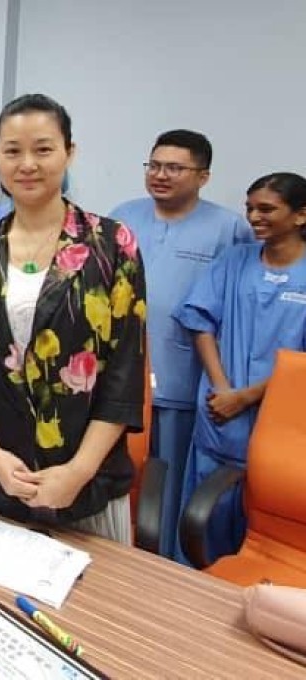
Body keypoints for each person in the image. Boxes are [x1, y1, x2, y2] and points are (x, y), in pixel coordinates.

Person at [0, 94, 146, 543]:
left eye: (44, 149)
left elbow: (124, 371)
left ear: (69, 152)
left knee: (93, 610)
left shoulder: (112, 245)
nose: (27, 164)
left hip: (85, 483)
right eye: (12, 150)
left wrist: (77, 471)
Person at [110, 129, 252, 560]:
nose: (160, 175)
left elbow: (238, 303)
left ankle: (165, 569)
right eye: (154, 165)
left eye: (174, 167)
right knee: (120, 474)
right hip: (121, 377)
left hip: (182, 376)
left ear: (203, 176)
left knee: (170, 482)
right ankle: (115, 555)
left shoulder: (229, 228)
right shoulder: (122, 217)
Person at [175, 172, 306, 563]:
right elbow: (200, 321)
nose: (253, 217)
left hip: (283, 417)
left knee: (271, 524)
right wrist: (222, 388)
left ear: (301, 216)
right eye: (249, 208)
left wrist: (247, 396)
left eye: (266, 209)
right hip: (221, 412)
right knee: (206, 517)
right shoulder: (235, 260)